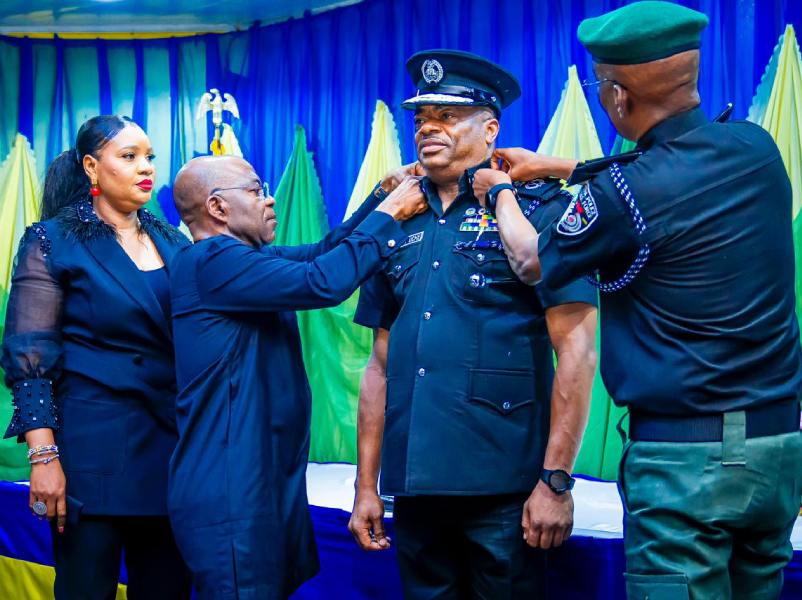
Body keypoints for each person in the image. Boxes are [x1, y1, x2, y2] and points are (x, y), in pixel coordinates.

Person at [472, 2, 802, 598]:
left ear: (619, 97)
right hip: (776, 452)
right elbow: (666, 172)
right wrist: (560, 166)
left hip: (686, 466)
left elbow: (533, 259)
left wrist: (500, 195)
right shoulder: (755, 147)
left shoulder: (624, 196)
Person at [347, 49, 598, 598]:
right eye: (420, 118)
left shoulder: (537, 209)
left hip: (505, 489)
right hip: (415, 486)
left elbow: (576, 352)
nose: (427, 128)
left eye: (446, 116)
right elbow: (379, 366)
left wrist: (555, 480)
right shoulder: (395, 217)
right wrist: (367, 485)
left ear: (490, 128)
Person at [167, 154, 427, 599]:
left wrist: (382, 194)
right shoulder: (212, 261)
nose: (270, 201)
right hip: (230, 489)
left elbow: (322, 253)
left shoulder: (243, 260)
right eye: (255, 190)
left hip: (256, 483)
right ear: (217, 208)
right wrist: (390, 215)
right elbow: (322, 281)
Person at [1, 115, 191, 599]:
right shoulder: (52, 240)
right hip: (90, 459)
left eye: (149, 157)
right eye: (128, 157)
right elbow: (29, 358)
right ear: (91, 166)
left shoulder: (172, 240)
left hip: (170, 452)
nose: (145, 167)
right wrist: (44, 457)